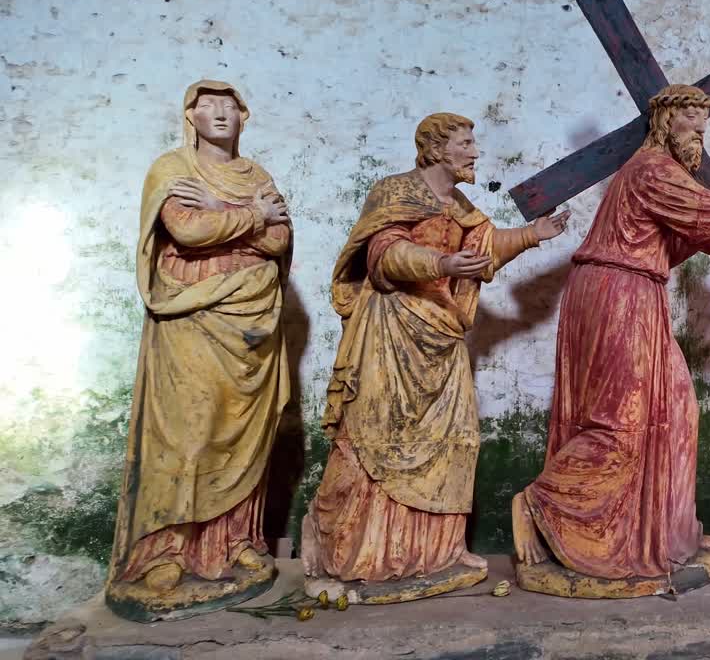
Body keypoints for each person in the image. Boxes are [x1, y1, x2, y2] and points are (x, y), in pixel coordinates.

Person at [513, 84, 710, 588]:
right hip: (617, 296)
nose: (701, 128)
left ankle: (662, 531)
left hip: (636, 290)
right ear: (663, 120)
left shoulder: (659, 175)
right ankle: (541, 502)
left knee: (676, 410)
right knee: (623, 420)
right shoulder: (652, 169)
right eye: (690, 117)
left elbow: (665, 247)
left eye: (705, 119)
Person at [302, 113, 568, 599]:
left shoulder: (460, 205)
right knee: (379, 435)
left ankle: (438, 551)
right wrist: (440, 263)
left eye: (472, 143)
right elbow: (384, 255)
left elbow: (485, 246)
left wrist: (534, 233)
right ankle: (362, 552)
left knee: (455, 436)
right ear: (437, 148)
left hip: (442, 338)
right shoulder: (395, 191)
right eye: (466, 143)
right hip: (392, 331)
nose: (474, 152)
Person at [108, 80, 291, 617]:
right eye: (206, 105)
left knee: (240, 438)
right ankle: (165, 549)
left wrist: (226, 212)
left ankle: (234, 541)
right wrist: (253, 217)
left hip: (252, 319)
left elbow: (280, 242)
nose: (218, 113)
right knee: (187, 431)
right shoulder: (171, 170)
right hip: (189, 313)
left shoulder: (257, 176)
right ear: (190, 115)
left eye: (228, 106)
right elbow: (186, 230)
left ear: (244, 116)